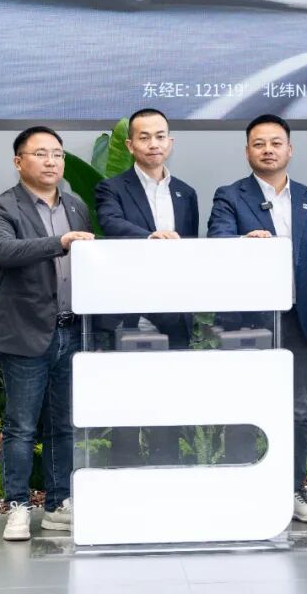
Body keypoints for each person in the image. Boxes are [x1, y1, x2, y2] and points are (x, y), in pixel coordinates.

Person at [207, 114, 307, 524]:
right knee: (245, 406)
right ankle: (243, 492)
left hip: (298, 322)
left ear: (290, 149)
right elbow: (218, 240)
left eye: (276, 143)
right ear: (247, 151)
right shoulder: (230, 196)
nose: (268, 150)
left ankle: (292, 491)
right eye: (259, 144)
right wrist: (244, 242)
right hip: (247, 322)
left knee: (296, 411)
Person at [0, 126, 94, 541]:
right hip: (25, 333)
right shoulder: (2, 207)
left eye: (57, 154)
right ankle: (17, 507)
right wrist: (58, 242)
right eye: (41, 153)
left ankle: (57, 505)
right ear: (19, 162)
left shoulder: (76, 205)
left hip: (72, 330)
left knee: (63, 425)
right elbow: (3, 251)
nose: (51, 162)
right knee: (21, 427)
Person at [94, 108, 199, 465]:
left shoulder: (185, 193)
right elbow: (110, 223)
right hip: (129, 311)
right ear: (130, 145)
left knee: (169, 400)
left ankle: (166, 472)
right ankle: (124, 475)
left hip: (173, 312)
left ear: (170, 142)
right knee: (126, 399)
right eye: (144, 137)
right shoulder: (111, 188)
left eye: (160, 136)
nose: (153, 144)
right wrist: (149, 237)